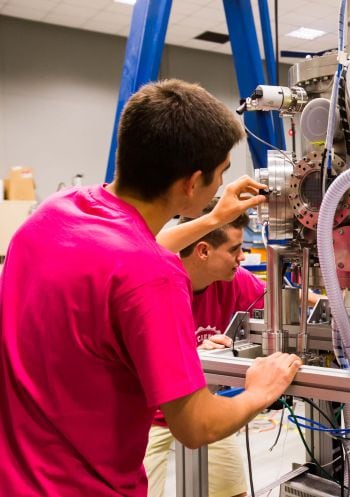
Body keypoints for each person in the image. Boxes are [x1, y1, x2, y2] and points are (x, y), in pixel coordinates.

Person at [0, 79, 301, 496]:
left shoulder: (53, 215)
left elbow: (126, 254)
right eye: (219, 176)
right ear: (192, 184)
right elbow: (195, 425)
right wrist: (258, 392)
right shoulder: (155, 277)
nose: (219, 187)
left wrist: (216, 219)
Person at [145, 203, 264, 497]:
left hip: (203, 403)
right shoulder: (155, 283)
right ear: (203, 251)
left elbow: (281, 304)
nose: (242, 256)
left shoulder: (235, 281)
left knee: (232, 491)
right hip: (146, 414)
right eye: (235, 249)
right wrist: (194, 352)